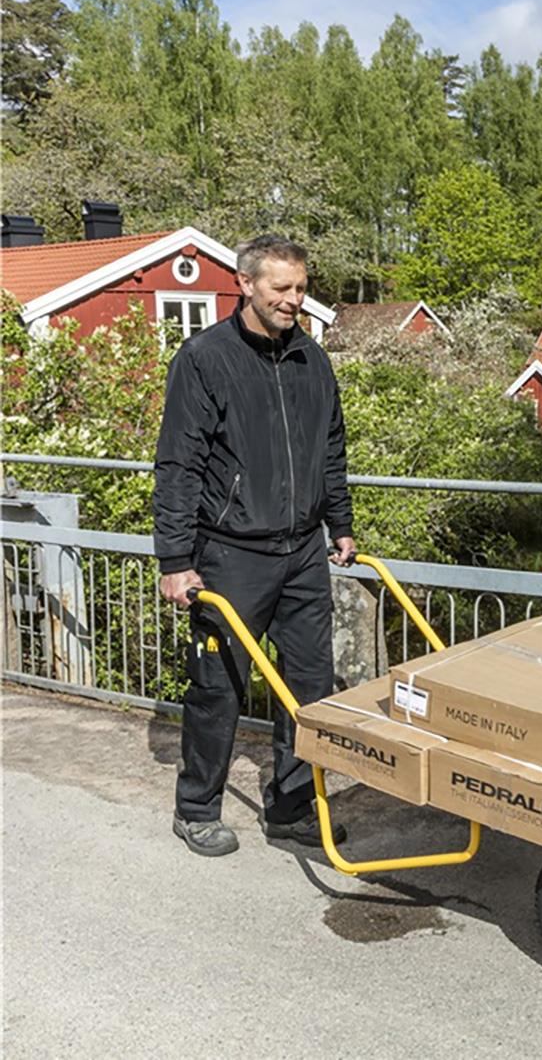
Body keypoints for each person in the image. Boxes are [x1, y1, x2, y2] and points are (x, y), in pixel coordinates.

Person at [154, 234, 356, 857]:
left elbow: (331, 451)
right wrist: (175, 560)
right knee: (219, 684)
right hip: (231, 554)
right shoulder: (205, 359)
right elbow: (179, 464)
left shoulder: (311, 361)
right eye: (281, 288)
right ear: (246, 285)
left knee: (308, 685)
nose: (294, 300)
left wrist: (340, 524)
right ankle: (196, 809)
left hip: (301, 555)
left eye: (300, 288)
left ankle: (291, 806)